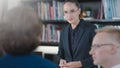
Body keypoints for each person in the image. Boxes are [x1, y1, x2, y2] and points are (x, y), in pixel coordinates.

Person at [58, 0, 97, 68]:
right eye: (66, 12)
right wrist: (61, 60)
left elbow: (98, 55)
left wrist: (81, 64)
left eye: (72, 11)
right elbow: (60, 53)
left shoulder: (91, 29)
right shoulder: (64, 31)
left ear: (79, 11)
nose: (69, 15)